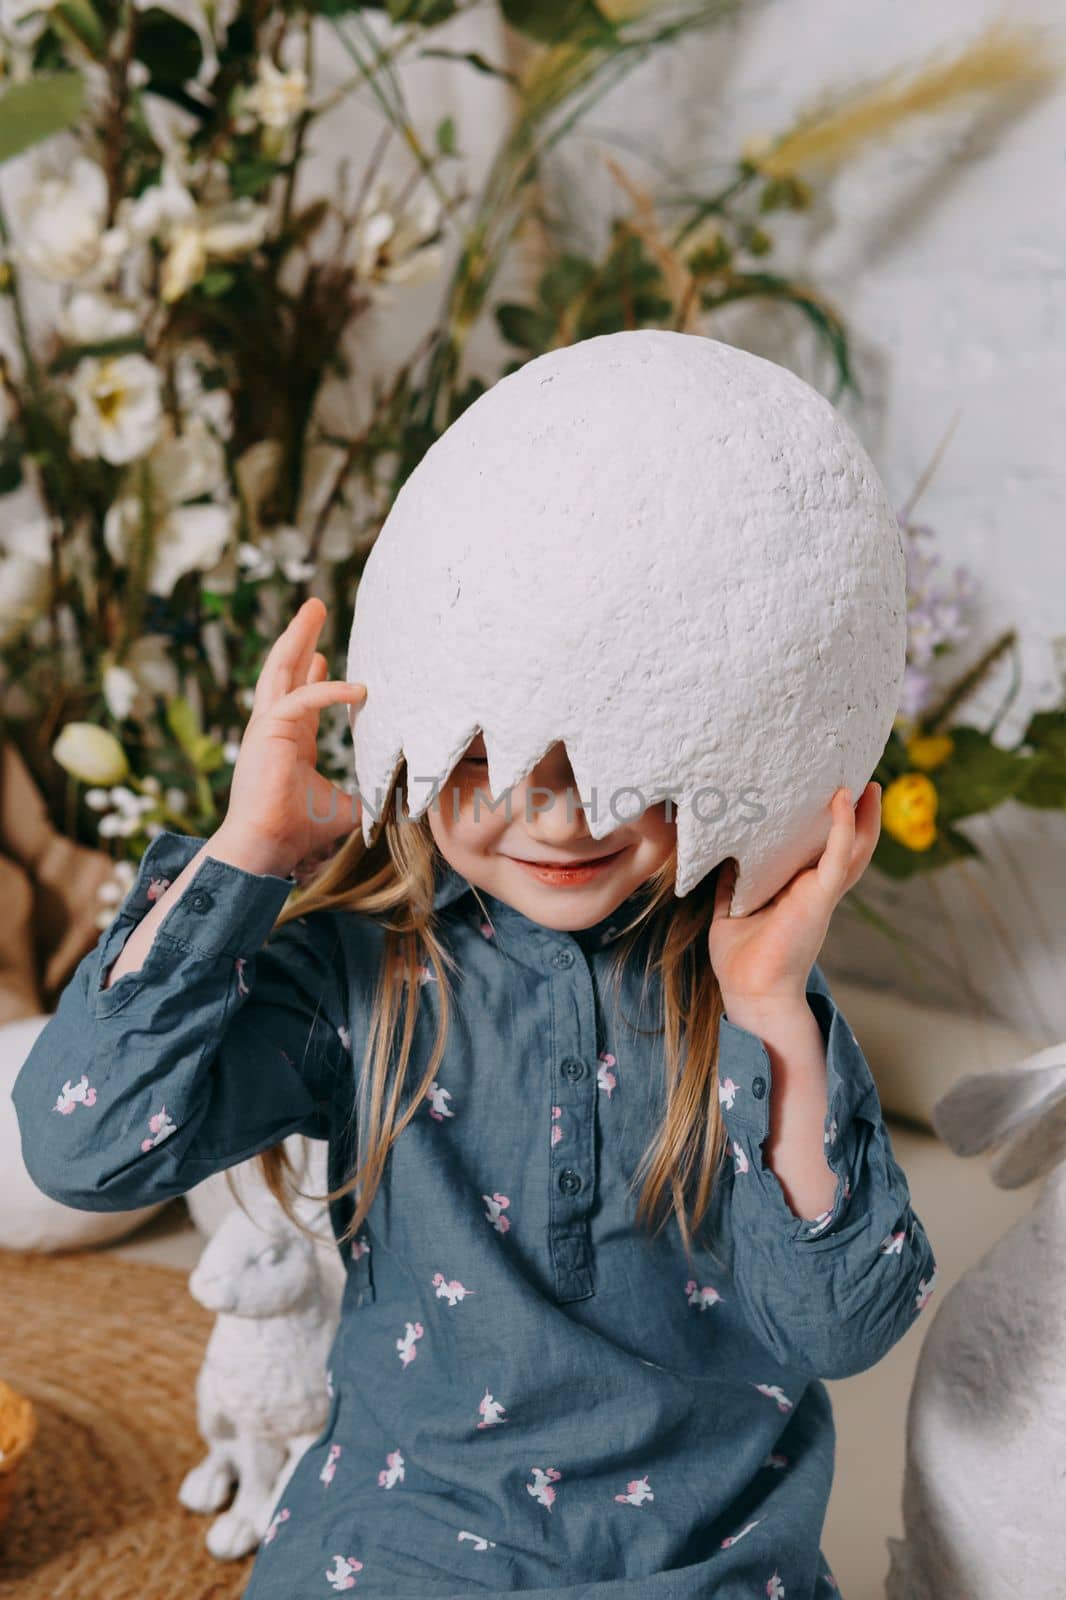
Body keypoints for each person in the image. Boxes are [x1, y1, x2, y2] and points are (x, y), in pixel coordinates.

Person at [13, 596, 938, 1600]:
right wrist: (250, 846)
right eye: (492, 755)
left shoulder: (742, 972)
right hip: (395, 1538)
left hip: (701, 1556)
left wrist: (769, 1004)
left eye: (618, 750)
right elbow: (82, 1144)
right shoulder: (361, 970)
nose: (562, 812)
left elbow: (844, 1326)